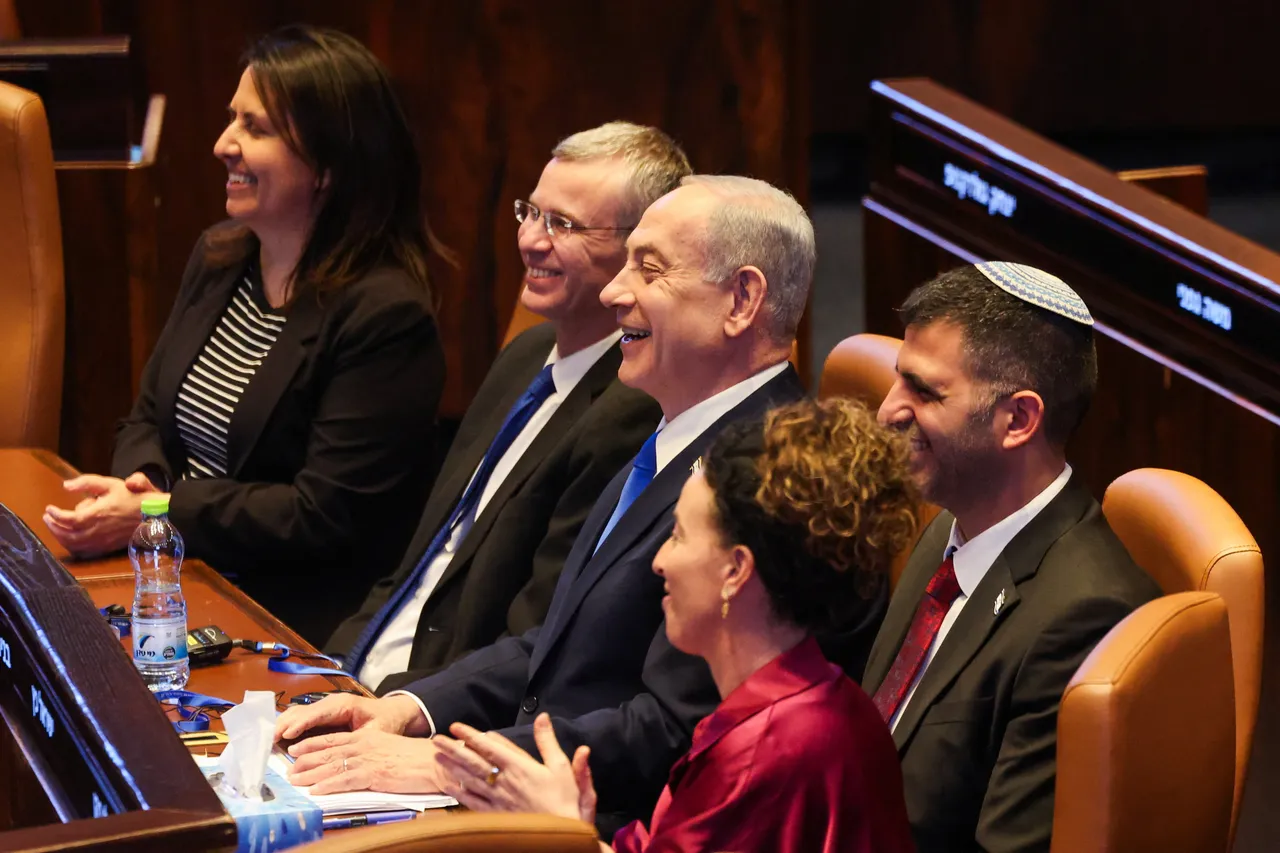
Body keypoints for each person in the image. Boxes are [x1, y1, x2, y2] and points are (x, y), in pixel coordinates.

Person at [275, 175, 824, 833]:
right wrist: (409, 709)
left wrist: (459, 765)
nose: (615, 291)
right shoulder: (670, 428)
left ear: (741, 299)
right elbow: (556, 645)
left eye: (649, 270)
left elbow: (675, 728)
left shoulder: (768, 476)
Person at [42, 26, 445, 644]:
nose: (222, 145)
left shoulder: (385, 316)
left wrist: (159, 512)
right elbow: (146, 418)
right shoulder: (221, 256)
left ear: (327, 166)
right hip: (175, 575)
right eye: (233, 120)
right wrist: (144, 485)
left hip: (287, 618)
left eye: (254, 128)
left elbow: (322, 516)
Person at [434, 397, 919, 853]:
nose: (659, 561)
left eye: (680, 536)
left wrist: (563, 832)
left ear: (736, 571)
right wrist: (574, 821)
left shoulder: (768, 746)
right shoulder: (788, 704)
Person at [326, 122, 687, 694]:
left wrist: (398, 705)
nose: (531, 241)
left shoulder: (631, 412)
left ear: (637, 252)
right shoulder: (524, 354)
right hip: (355, 673)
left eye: (564, 224)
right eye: (531, 213)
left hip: (436, 704)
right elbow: (417, 565)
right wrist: (325, 667)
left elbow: (539, 636)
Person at [862, 262, 1161, 852]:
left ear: (1018, 420)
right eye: (899, 379)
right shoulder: (949, 529)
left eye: (924, 391)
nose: (888, 411)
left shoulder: (1084, 619)